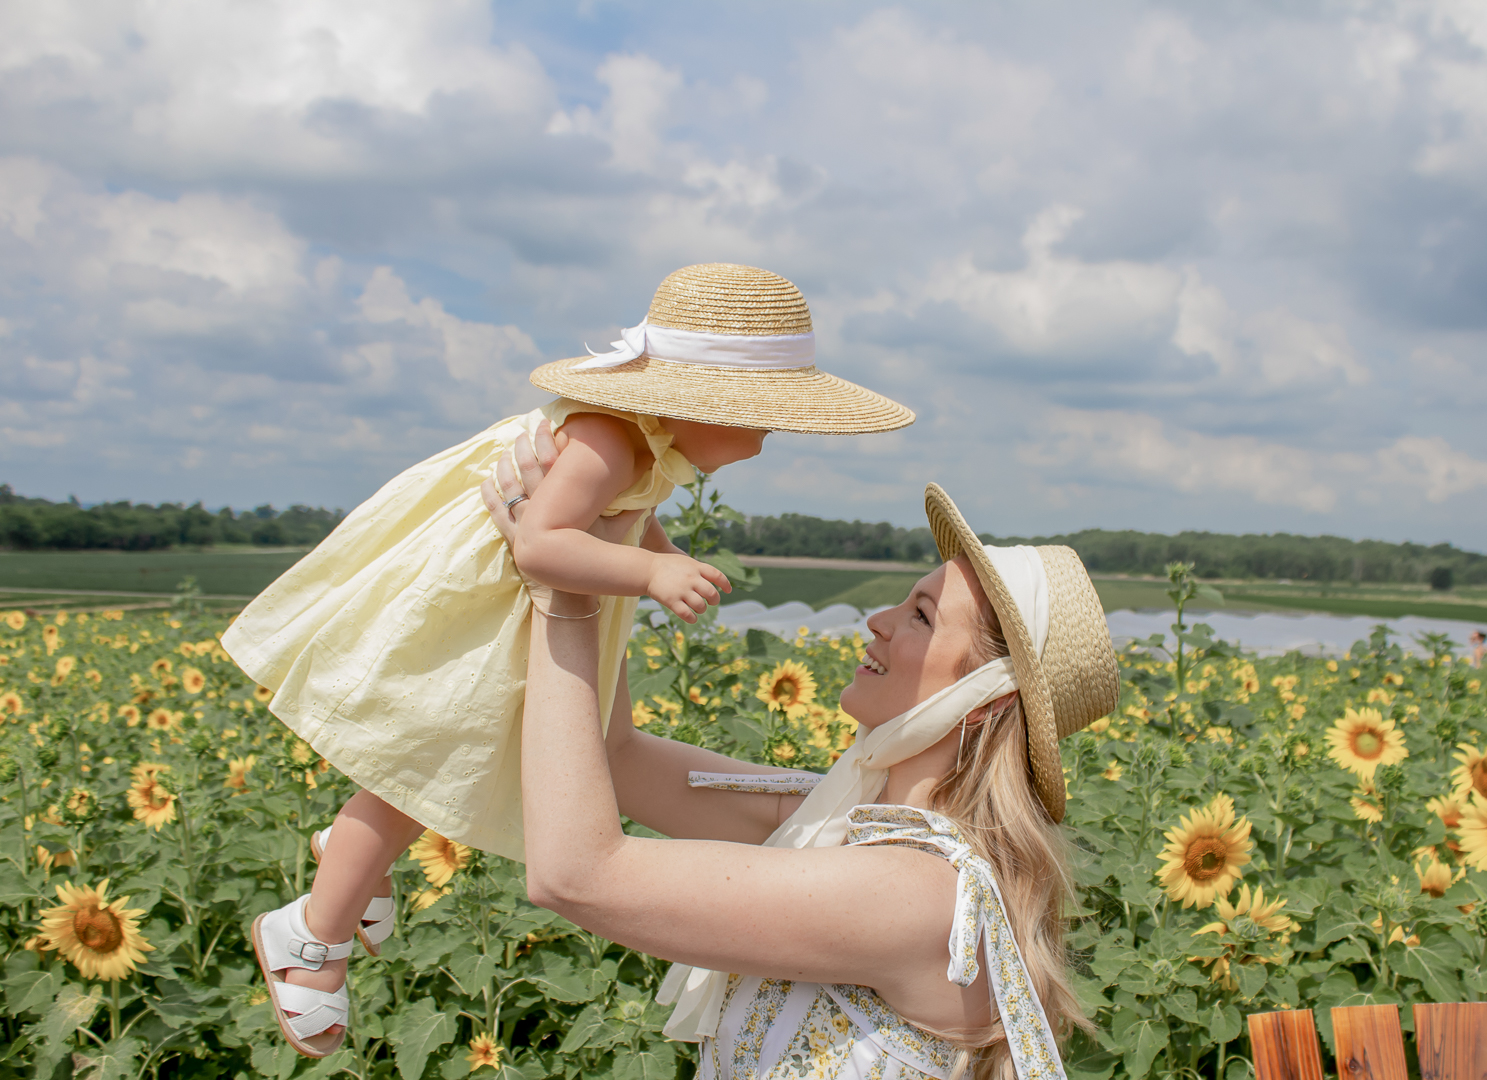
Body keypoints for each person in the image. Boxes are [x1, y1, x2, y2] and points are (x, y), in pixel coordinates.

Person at [229, 263, 915, 1058]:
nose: (764, 441)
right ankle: (309, 934)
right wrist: (655, 574)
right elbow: (544, 544)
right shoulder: (606, 441)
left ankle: (349, 867)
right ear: (696, 400)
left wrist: (655, 550)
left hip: (529, 606)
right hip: (485, 611)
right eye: (757, 420)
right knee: (427, 761)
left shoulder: (644, 445)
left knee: (455, 760)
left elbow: (625, 516)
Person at [488, 445, 1120, 1079]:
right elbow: (615, 758)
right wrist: (605, 546)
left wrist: (564, 594)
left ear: (984, 700)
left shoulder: (919, 893)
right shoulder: (831, 821)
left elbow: (573, 875)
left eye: (921, 617)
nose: (879, 620)